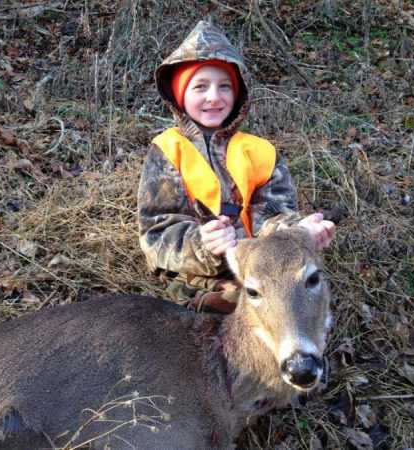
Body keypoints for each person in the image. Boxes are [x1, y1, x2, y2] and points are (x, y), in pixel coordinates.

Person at [137, 20, 335, 313]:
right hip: (196, 277)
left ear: (238, 93)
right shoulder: (168, 150)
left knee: (305, 299)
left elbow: (272, 216)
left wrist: (300, 232)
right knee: (235, 308)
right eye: (200, 87)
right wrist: (203, 243)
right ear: (180, 95)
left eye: (224, 86)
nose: (214, 97)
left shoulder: (260, 152)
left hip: (259, 267)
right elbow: (156, 233)